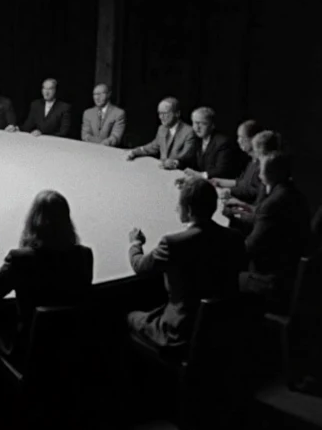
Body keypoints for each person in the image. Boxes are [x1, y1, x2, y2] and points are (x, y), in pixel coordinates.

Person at [125, 178, 244, 350]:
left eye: (178, 205)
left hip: (180, 332)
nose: (175, 208)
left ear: (188, 210)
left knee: (127, 317)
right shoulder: (236, 238)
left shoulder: (174, 244)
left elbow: (140, 267)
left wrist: (136, 244)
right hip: (223, 327)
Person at [0, 190, 93, 362]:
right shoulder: (85, 255)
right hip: (72, 350)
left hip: (27, 353)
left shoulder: (20, 259)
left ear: (34, 221)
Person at [236, 153, 312, 306]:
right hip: (291, 270)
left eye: (261, 171)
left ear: (270, 174)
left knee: (221, 275)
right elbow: (265, 223)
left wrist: (223, 245)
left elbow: (249, 247)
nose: (258, 175)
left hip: (274, 282)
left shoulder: (272, 204)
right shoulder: (294, 194)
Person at [220, 129, 281, 223]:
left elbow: (257, 219)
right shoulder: (270, 182)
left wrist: (233, 213)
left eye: (258, 156)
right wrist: (242, 205)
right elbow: (257, 209)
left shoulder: (276, 192)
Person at [126, 97, 195, 170]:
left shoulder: (189, 132)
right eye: (159, 113)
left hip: (180, 172)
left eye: (165, 113)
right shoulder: (161, 129)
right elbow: (151, 147)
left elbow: (186, 158)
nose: (161, 117)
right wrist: (134, 152)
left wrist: (174, 163)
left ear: (177, 113)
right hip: (163, 170)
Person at [179, 107, 244, 180]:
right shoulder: (197, 139)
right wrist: (175, 162)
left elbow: (221, 171)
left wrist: (200, 175)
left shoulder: (223, 142)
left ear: (212, 125)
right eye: (195, 123)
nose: (197, 127)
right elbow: (188, 158)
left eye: (202, 123)